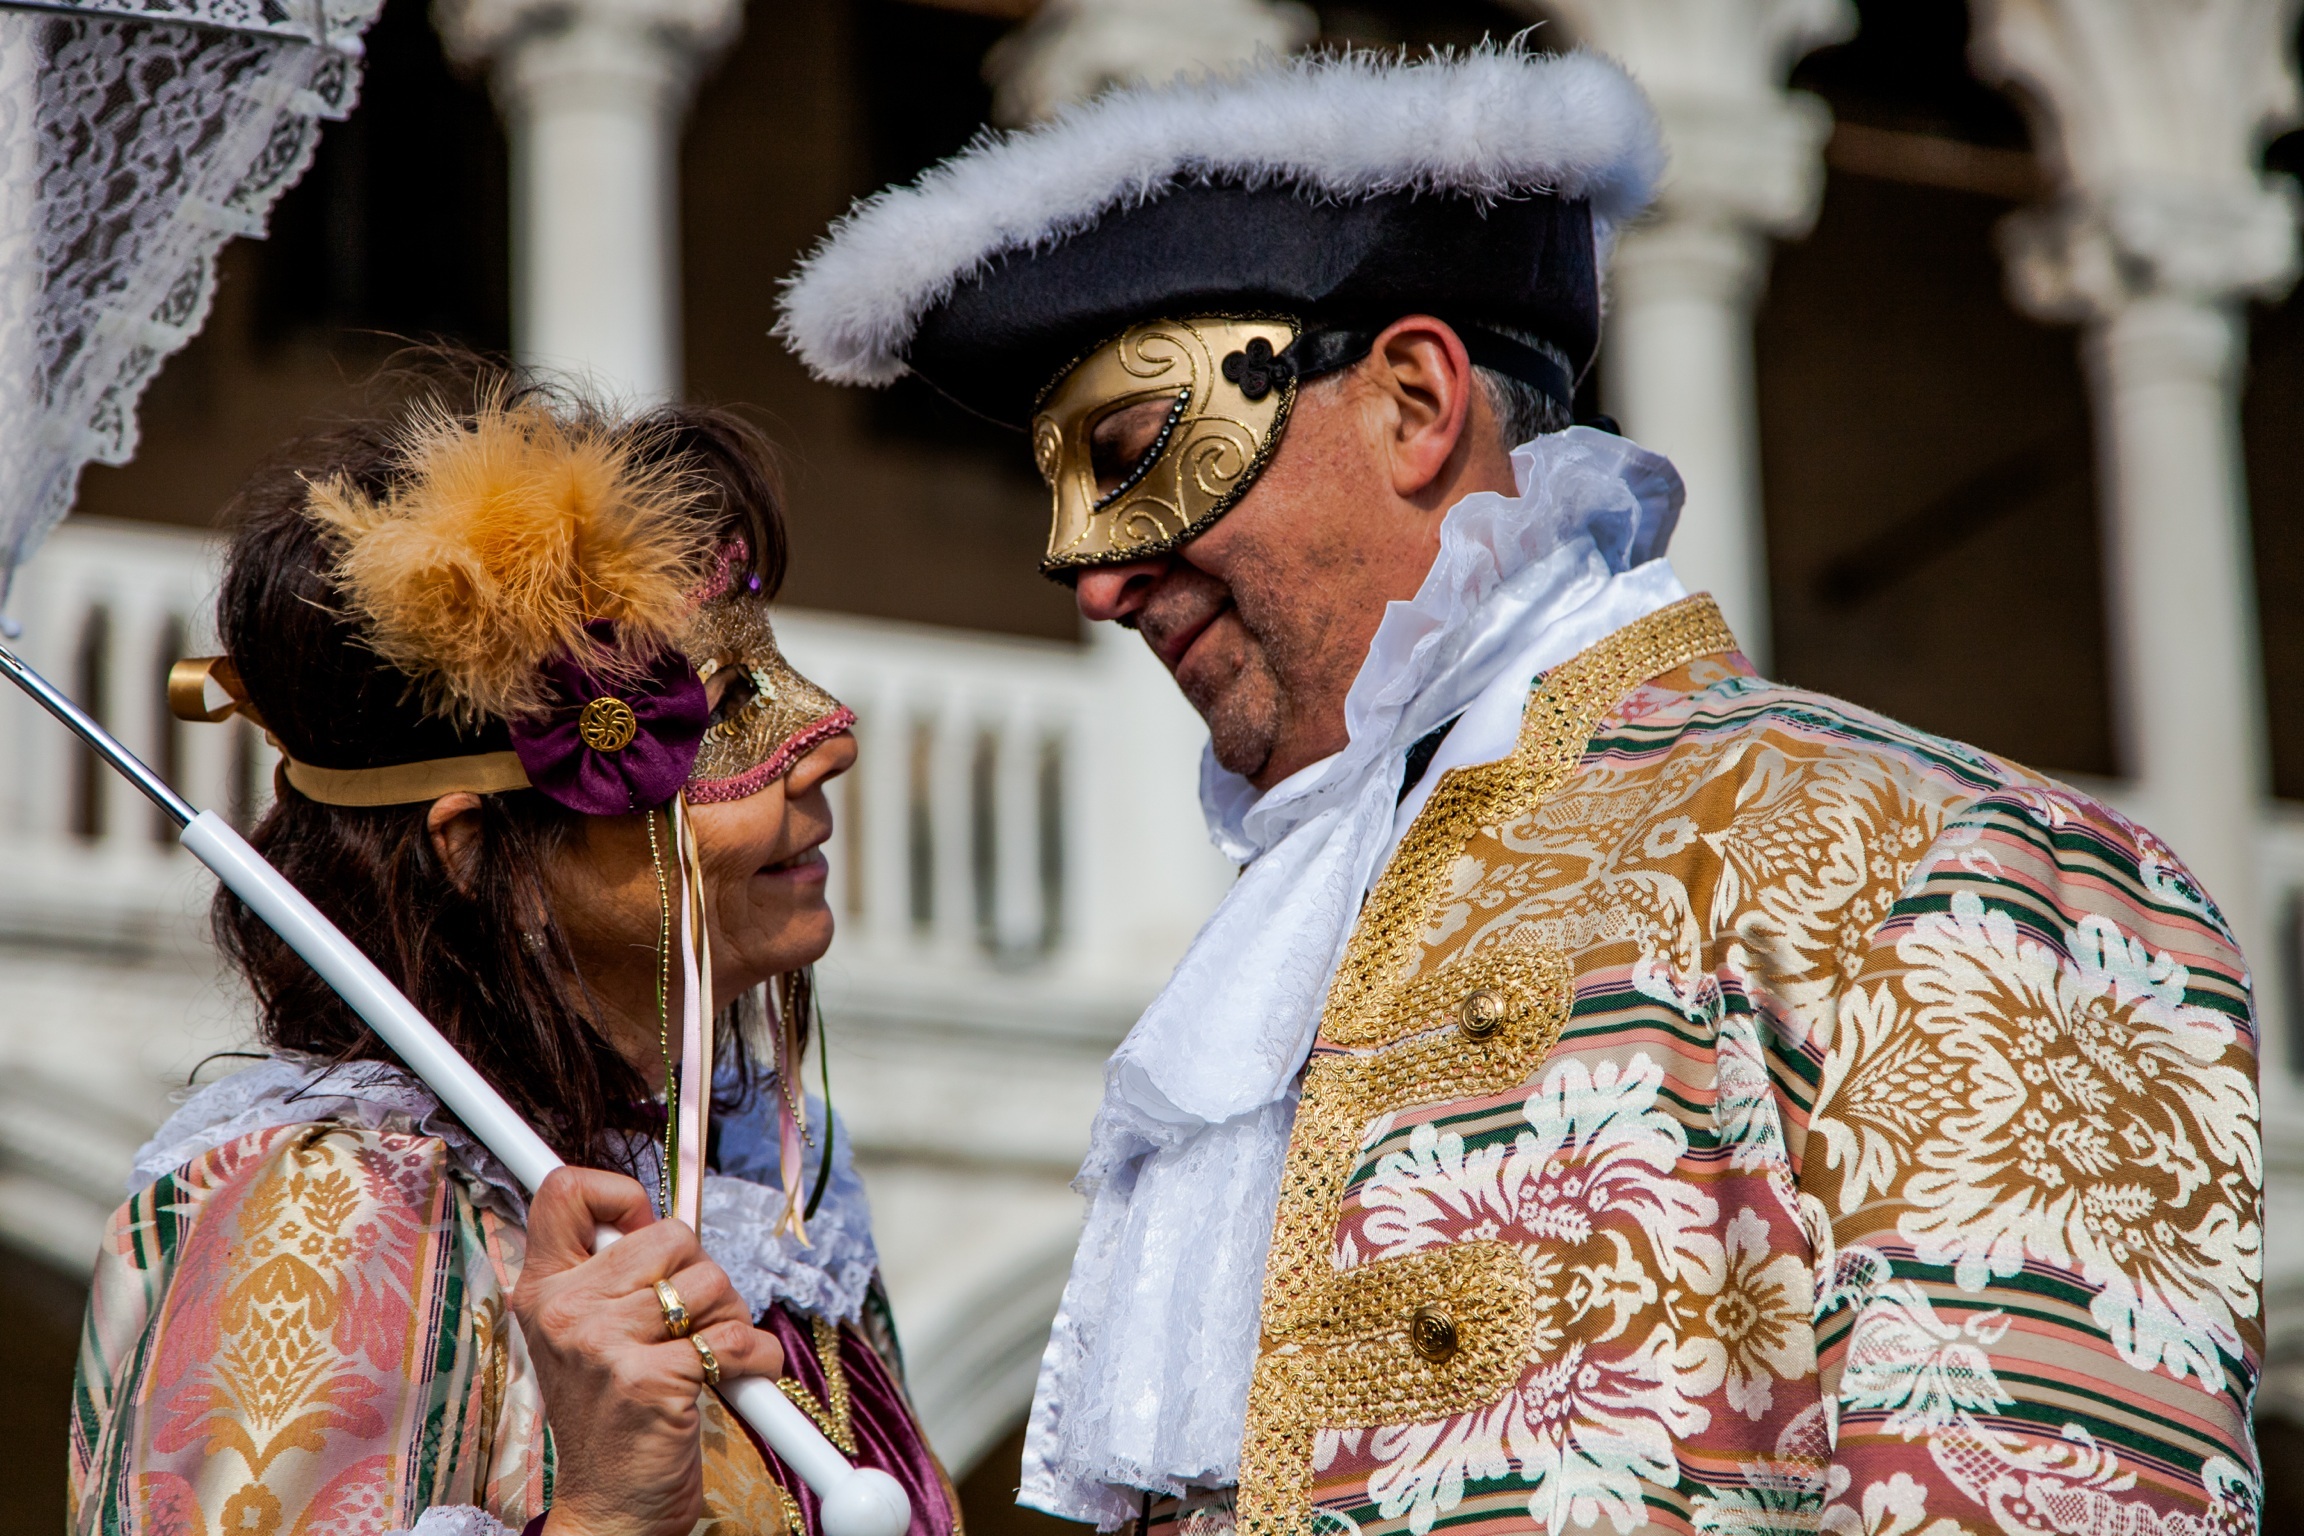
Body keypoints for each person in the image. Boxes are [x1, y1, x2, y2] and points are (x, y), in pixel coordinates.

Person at [777, 46, 2264, 1536]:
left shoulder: (1936, 867)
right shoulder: (1295, 972)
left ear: (1415, 399)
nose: (1093, 578)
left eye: (1135, 452)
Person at [68, 361, 958, 1536]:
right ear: (480, 853)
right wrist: (605, 1513)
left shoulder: (784, 1203)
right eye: (716, 712)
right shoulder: (325, 1220)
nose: (826, 743)